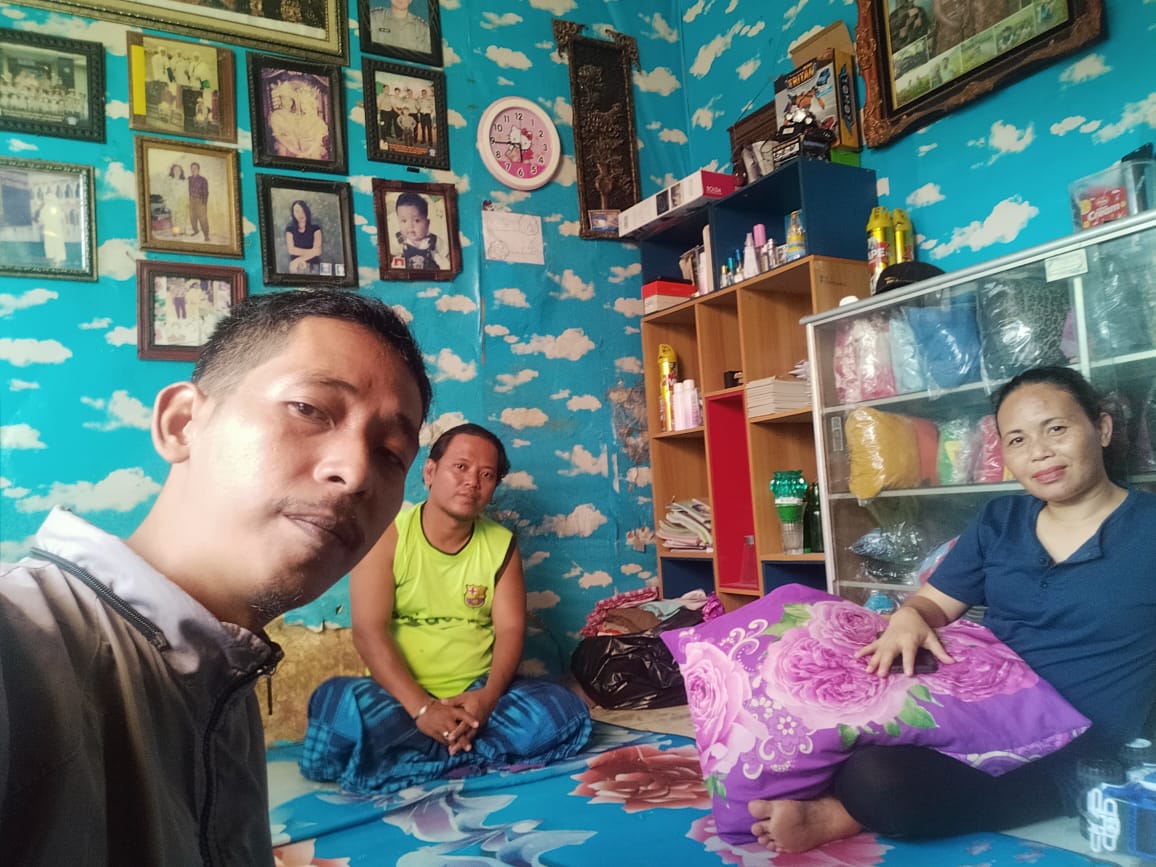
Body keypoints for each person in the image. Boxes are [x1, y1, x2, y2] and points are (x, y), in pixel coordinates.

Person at [0, 290, 432, 864]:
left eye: (391, 453)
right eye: (309, 409)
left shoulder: (224, 673)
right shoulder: (25, 638)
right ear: (183, 424)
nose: (355, 473)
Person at [749, 366, 1156, 853]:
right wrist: (909, 617)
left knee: (877, 780)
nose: (1039, 452)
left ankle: (843, 811)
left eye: (1056, 429)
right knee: (831, 720)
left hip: (1081, 748)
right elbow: (933, 603)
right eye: (1018, 440)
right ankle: (849, 805)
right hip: (980, 717)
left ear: (1102, 428)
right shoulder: (1000, 520)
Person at [299, 423, 592, 795]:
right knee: (337, 703)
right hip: (401, 700)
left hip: (476, 699)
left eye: (487, 475)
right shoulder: (387, 536)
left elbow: (511, 630)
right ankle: (465, 753)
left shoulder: (501, 544)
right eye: (461, 467)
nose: (472, 481)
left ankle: (420, 756)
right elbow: (369, 631)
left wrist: (487, 700)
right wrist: (423, 709)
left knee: (563, 709)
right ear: (430, 471)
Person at [393, 191, 449, 271]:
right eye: (404, 221)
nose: (410, 226)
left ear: (427, 223)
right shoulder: (399, 240)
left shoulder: (434, 241)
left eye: (417, 220)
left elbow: (446, 258)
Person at [284, 199, 323, 274]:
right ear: (293, 213)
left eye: (303, 210)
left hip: (313, 266)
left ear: (307, 211)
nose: (300, 214)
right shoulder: (290, 230)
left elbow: (318, 251)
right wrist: (312, 252)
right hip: (295, 268)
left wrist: (298, 260)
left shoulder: (316, 229)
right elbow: (291, 250)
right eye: (297, 211)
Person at [187, 161, 209, 241]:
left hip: (200, 201)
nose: (193, 169)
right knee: (192, 218)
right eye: (192, 168)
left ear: (198, 169)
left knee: (203, 219)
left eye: (195, 168)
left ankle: (206, 235)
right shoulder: (188, 179)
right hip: (191, 201)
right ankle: (196, 231)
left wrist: (204, 204)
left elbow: (206, 192)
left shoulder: (203, 180)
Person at [165, 162, 189, 236]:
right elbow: (167, 192)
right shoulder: (170, 181)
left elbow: (186, 192)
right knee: (174, 218)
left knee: (182, 217)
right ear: (172, 171)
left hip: (182, 201)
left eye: (179, 170)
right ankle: (175, 232)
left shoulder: (185, 181)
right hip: (173, 201)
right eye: (175, 170)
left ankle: (182, 231)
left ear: (181, 172)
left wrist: (187, 202)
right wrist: (167, 201)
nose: (177, 171)